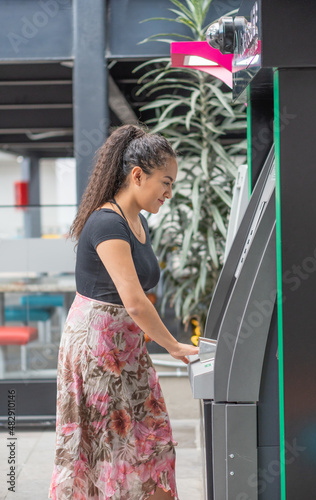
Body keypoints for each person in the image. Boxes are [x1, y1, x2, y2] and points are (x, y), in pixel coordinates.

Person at [49, 124, 199, 500]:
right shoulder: (106, 222)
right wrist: (174, 346)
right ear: (137, 175)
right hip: (98, 348)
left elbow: (137, 301)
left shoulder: (137, 220)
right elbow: (132, 300)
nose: (169, 192)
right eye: (165, 182)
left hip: (126, 346)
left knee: (151, 439)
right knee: (113, 448)